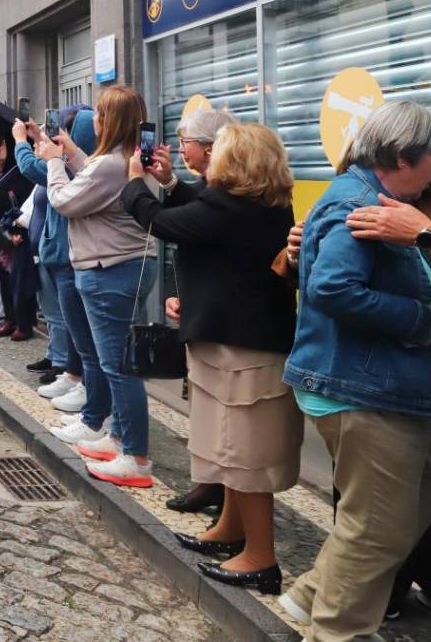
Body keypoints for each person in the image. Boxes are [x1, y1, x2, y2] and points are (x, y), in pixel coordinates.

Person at [276, 100, 431, 640]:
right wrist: (423, 322)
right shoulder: (365, 203)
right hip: (368, 388)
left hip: (388, 386)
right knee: (378, 529)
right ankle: (336, 629)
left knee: (415, 504)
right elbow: (332, 288)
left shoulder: (388, 200)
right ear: (401, 156)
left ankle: (311, 595)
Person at [121, 123, 300, 594]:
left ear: (234, 161)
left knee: (245, 454)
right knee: (228, 446)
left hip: (243, 349)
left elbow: (161, 222)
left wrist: (135, 183)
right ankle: (231, 530)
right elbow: (197, 217)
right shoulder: (262, 205)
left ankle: (261, 557)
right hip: (233, 342)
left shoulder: (229, 209)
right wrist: (171, 185)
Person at [37, 85, 157, 488]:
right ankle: (120, 438)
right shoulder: (122, 159)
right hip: (122, 267)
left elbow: (67, 200)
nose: (97, 121)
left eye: (102, 114)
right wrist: (69, 151)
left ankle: (135, 456)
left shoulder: (112, 163)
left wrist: (55, 162)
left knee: (119, 367)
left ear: (112, 121)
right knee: (120, 362)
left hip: (110, 270)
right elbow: (94, 174)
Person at [141, 107, 241, 515]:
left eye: (186, 143)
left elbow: (177, 221)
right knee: (204, 407)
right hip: (205, 310)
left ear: (210, 148)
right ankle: (209, 483)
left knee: (222, 416)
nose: (181, 149)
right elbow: (195, 204)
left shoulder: (229, 191)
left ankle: (221, 490)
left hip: (225, 321)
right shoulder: (211, 186)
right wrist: (168, 181)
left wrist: (137, 183)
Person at [13, 108, 98, 420]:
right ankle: (77, 378)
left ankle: (88, 393)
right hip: (61, 255)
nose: (59, 138)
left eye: (65, 132)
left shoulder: (84, 167)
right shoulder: (82, 163)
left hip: (70, 257)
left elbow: (34, 168)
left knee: (84, 335)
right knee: (77, 330)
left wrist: (21, 141)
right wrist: (37, 136)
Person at [0, 137, 35, 340]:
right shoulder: (4, 173)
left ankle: (23, 321)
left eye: (3, 145)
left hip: (16, 231)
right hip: (0, 230)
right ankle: (11, 318)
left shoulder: (18, 171)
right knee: (4, 279)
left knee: (18, 279)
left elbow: (5, 196)